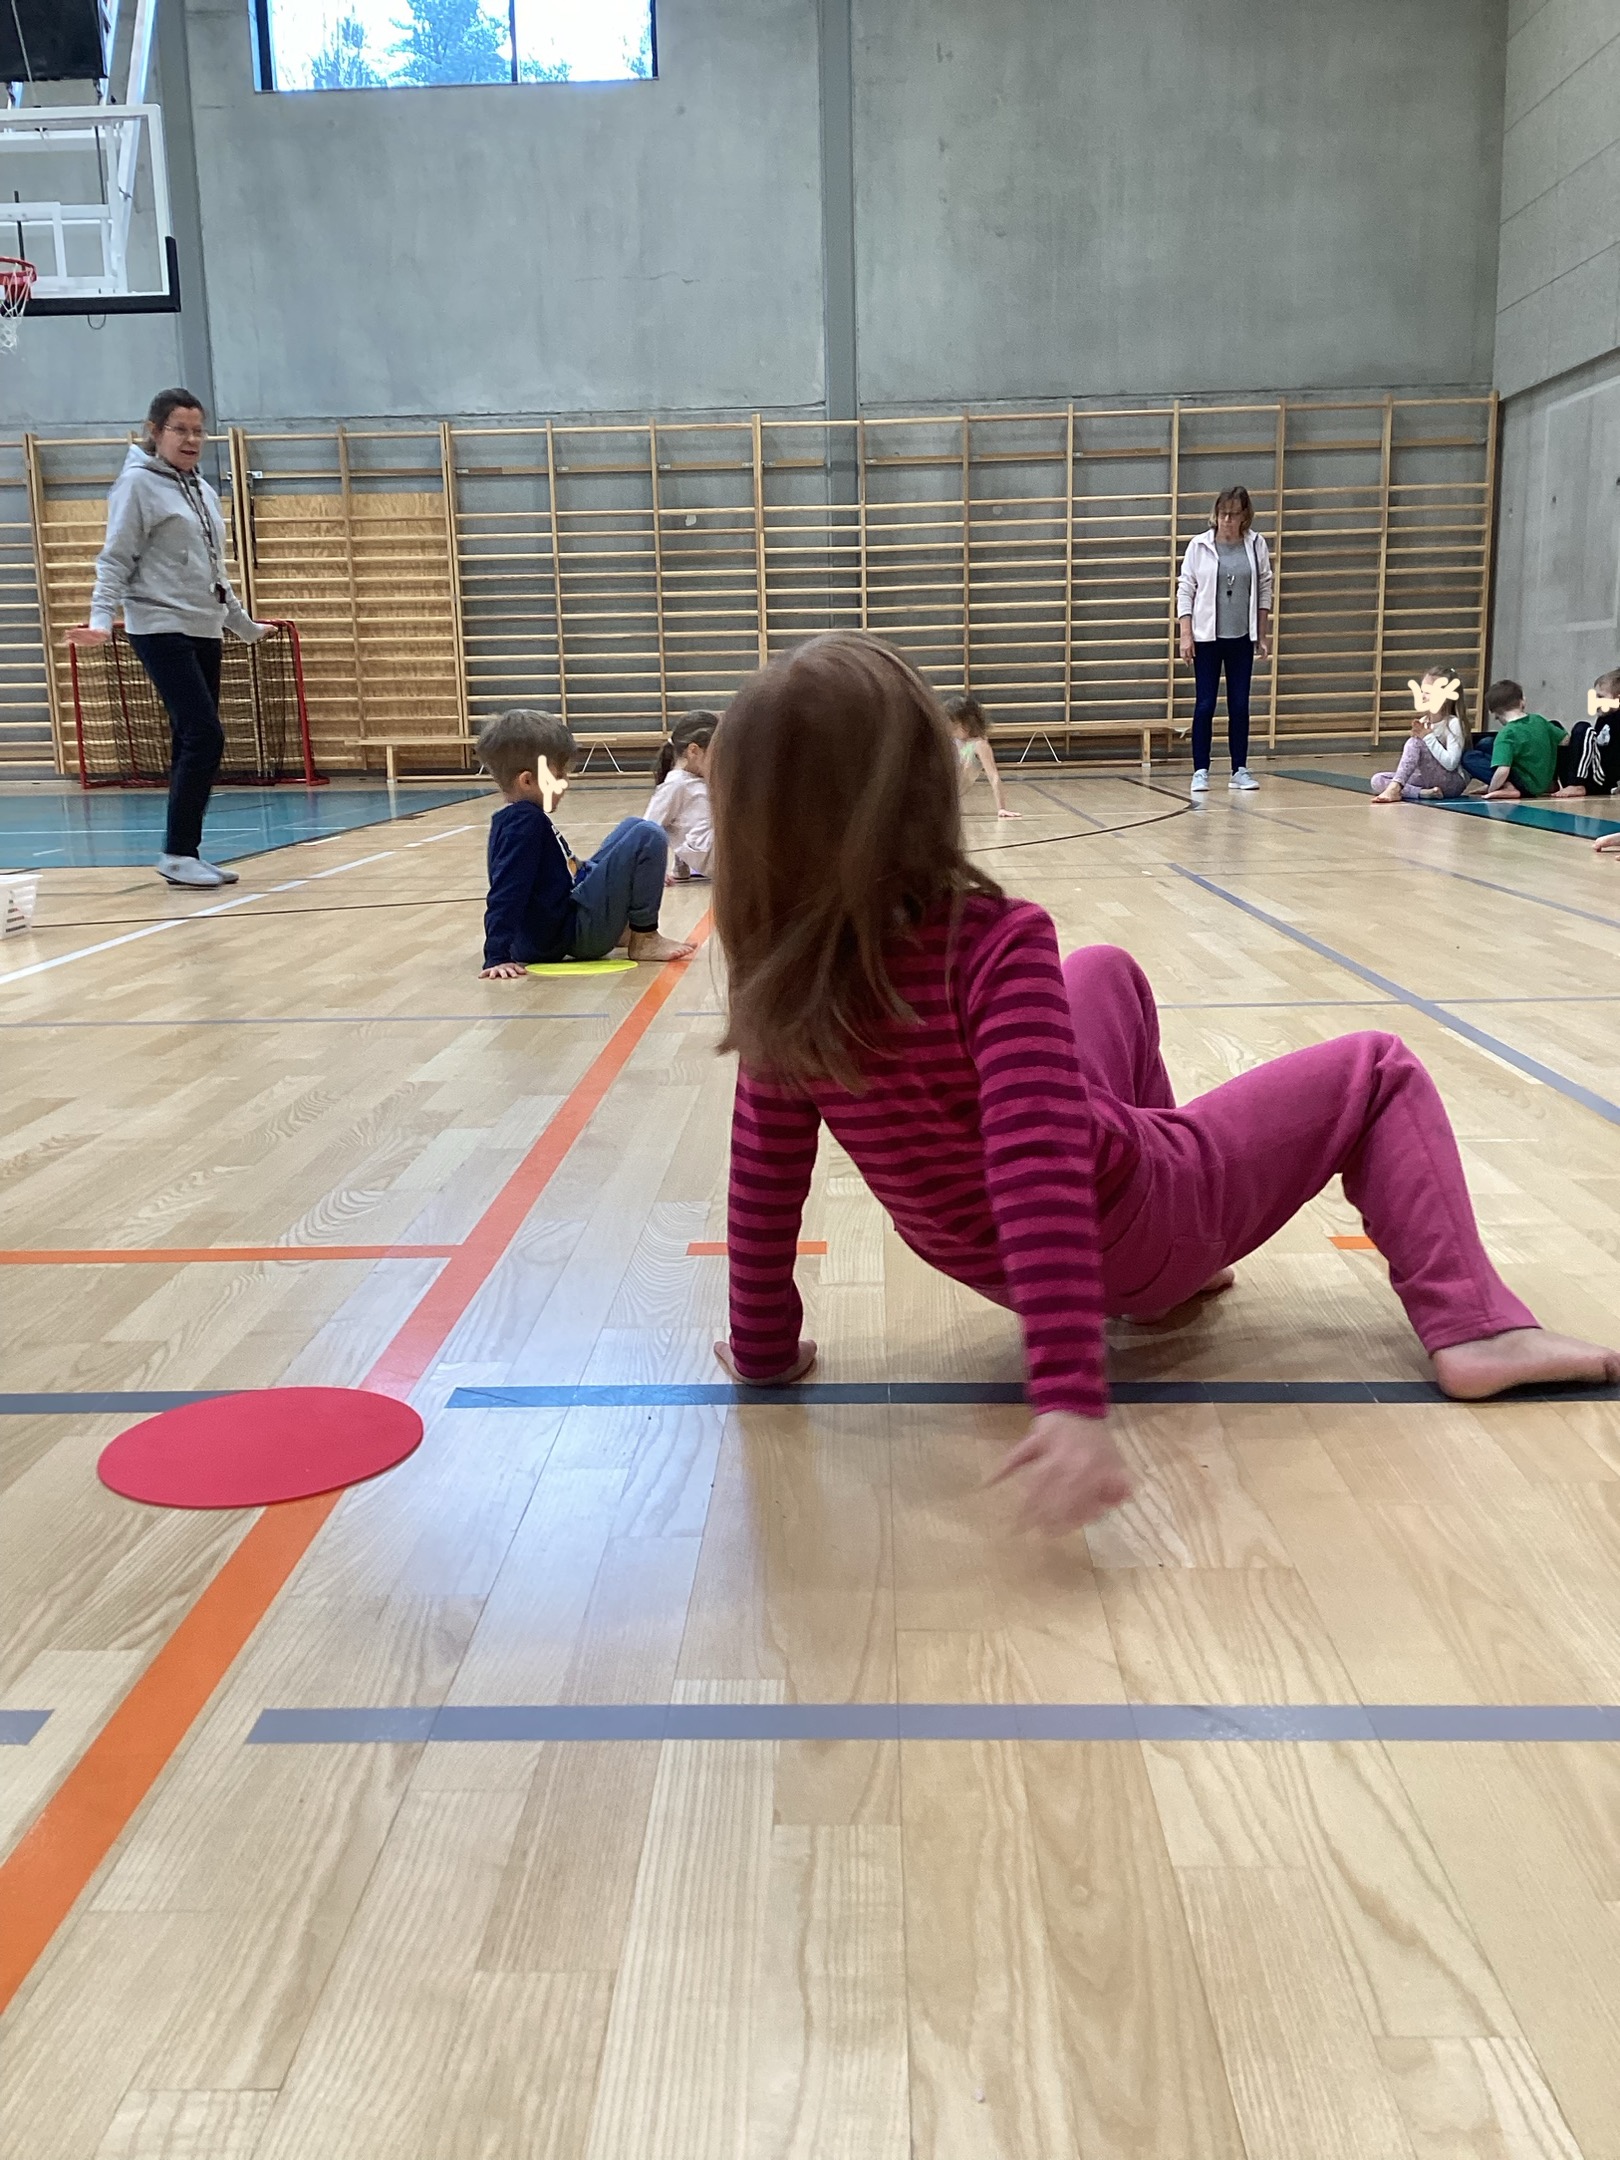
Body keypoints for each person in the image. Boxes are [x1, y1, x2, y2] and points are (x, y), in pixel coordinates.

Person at [708, 633, 1618, 1534]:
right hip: (1131, 1222)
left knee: (1104, 970)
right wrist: (1069, 1395)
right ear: (926, 791)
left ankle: (1181, 1278)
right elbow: (1038, 1170)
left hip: (996, 1258)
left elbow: (764, 1180)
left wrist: (762, 1347)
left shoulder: (784, 990)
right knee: (1379, 1070)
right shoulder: (988, 942)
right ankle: (1474, 1325)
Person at [68, 389, 268, 889]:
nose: (191, 439)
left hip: (203, 628)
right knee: (205, 734)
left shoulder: (201, 490)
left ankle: (183, 853)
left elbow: (213, 571)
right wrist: (100, 619)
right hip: (159, 626)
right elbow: (115, 558)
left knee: (190, 738)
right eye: (180, 429)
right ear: (155, 431)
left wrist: (243, 626)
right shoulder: (136, 485)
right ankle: (178, 852)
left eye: (199, 430)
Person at [478, 708, 695, 978]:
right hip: (565, 937)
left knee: (632, 827)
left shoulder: (519, 818)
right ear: (527, 780)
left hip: (561, 922)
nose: (565, 783)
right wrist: (496, 955)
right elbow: (506, 890)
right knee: (648, 834)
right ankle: (645, 937)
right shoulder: (524, 823)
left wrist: (629, 874)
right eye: (559, 776)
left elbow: (556, 875)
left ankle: (622, 930)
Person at [1176, 485, 1273, 797]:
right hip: (1207, 638)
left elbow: (1264, 589)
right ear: (1215, 515)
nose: (1227, 520)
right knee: (1205, 704)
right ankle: (1200, 770)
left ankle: (1239, 769)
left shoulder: (1256, 545)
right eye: (1223, 514)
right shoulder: (1199, 546)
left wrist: (1262, 633)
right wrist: (1186, 634)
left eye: (1233, 514)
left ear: (1245, 516)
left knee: (1240, 704)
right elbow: (1186, 590)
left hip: (1241, 637)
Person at [1370, 669, 1469, 802]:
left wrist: (1427, 738)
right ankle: (1422, 793)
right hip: (1428, 779)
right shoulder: (1424, 721)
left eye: (1427, 693)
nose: (1422, 696)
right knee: (1377, 780)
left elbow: (1451, 764)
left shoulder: (1453, 723)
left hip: (1451, 783)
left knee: (1414, 743)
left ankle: (1395, 788)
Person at [645, 710, 716, 882]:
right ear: (694, 751)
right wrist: (653, 870)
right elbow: (648, 827)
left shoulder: (699, 779)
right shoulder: (676, 784)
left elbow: (686, 823)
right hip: (717, 854)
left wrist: (680, 869)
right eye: (716, 754)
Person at [1464, 681, 1565, 799]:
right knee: (1486, 744)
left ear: (1495, 714)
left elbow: (1503, 770)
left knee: (1469, 757)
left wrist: (1492, 788)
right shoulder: (1539, 720)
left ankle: (1508, 787)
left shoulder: (1507, 734)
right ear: (1523, 702)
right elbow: (1565, 740)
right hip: (1543, 783)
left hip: (1524, 786)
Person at [943, 694, 1020, 818]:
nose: (951, 730)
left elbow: (993, 776)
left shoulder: (979, 745)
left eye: (955, 727)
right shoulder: (952, 740)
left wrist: (1001, 808)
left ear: (967, 725)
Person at [1554, 670, 1620, 798]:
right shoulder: (1603, 719)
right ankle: (1553, 782)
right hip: (1584, 774)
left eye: (1600, 697)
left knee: (1583, 728)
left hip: (1600, 781)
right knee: (1554, 729)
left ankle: (1577, 783)